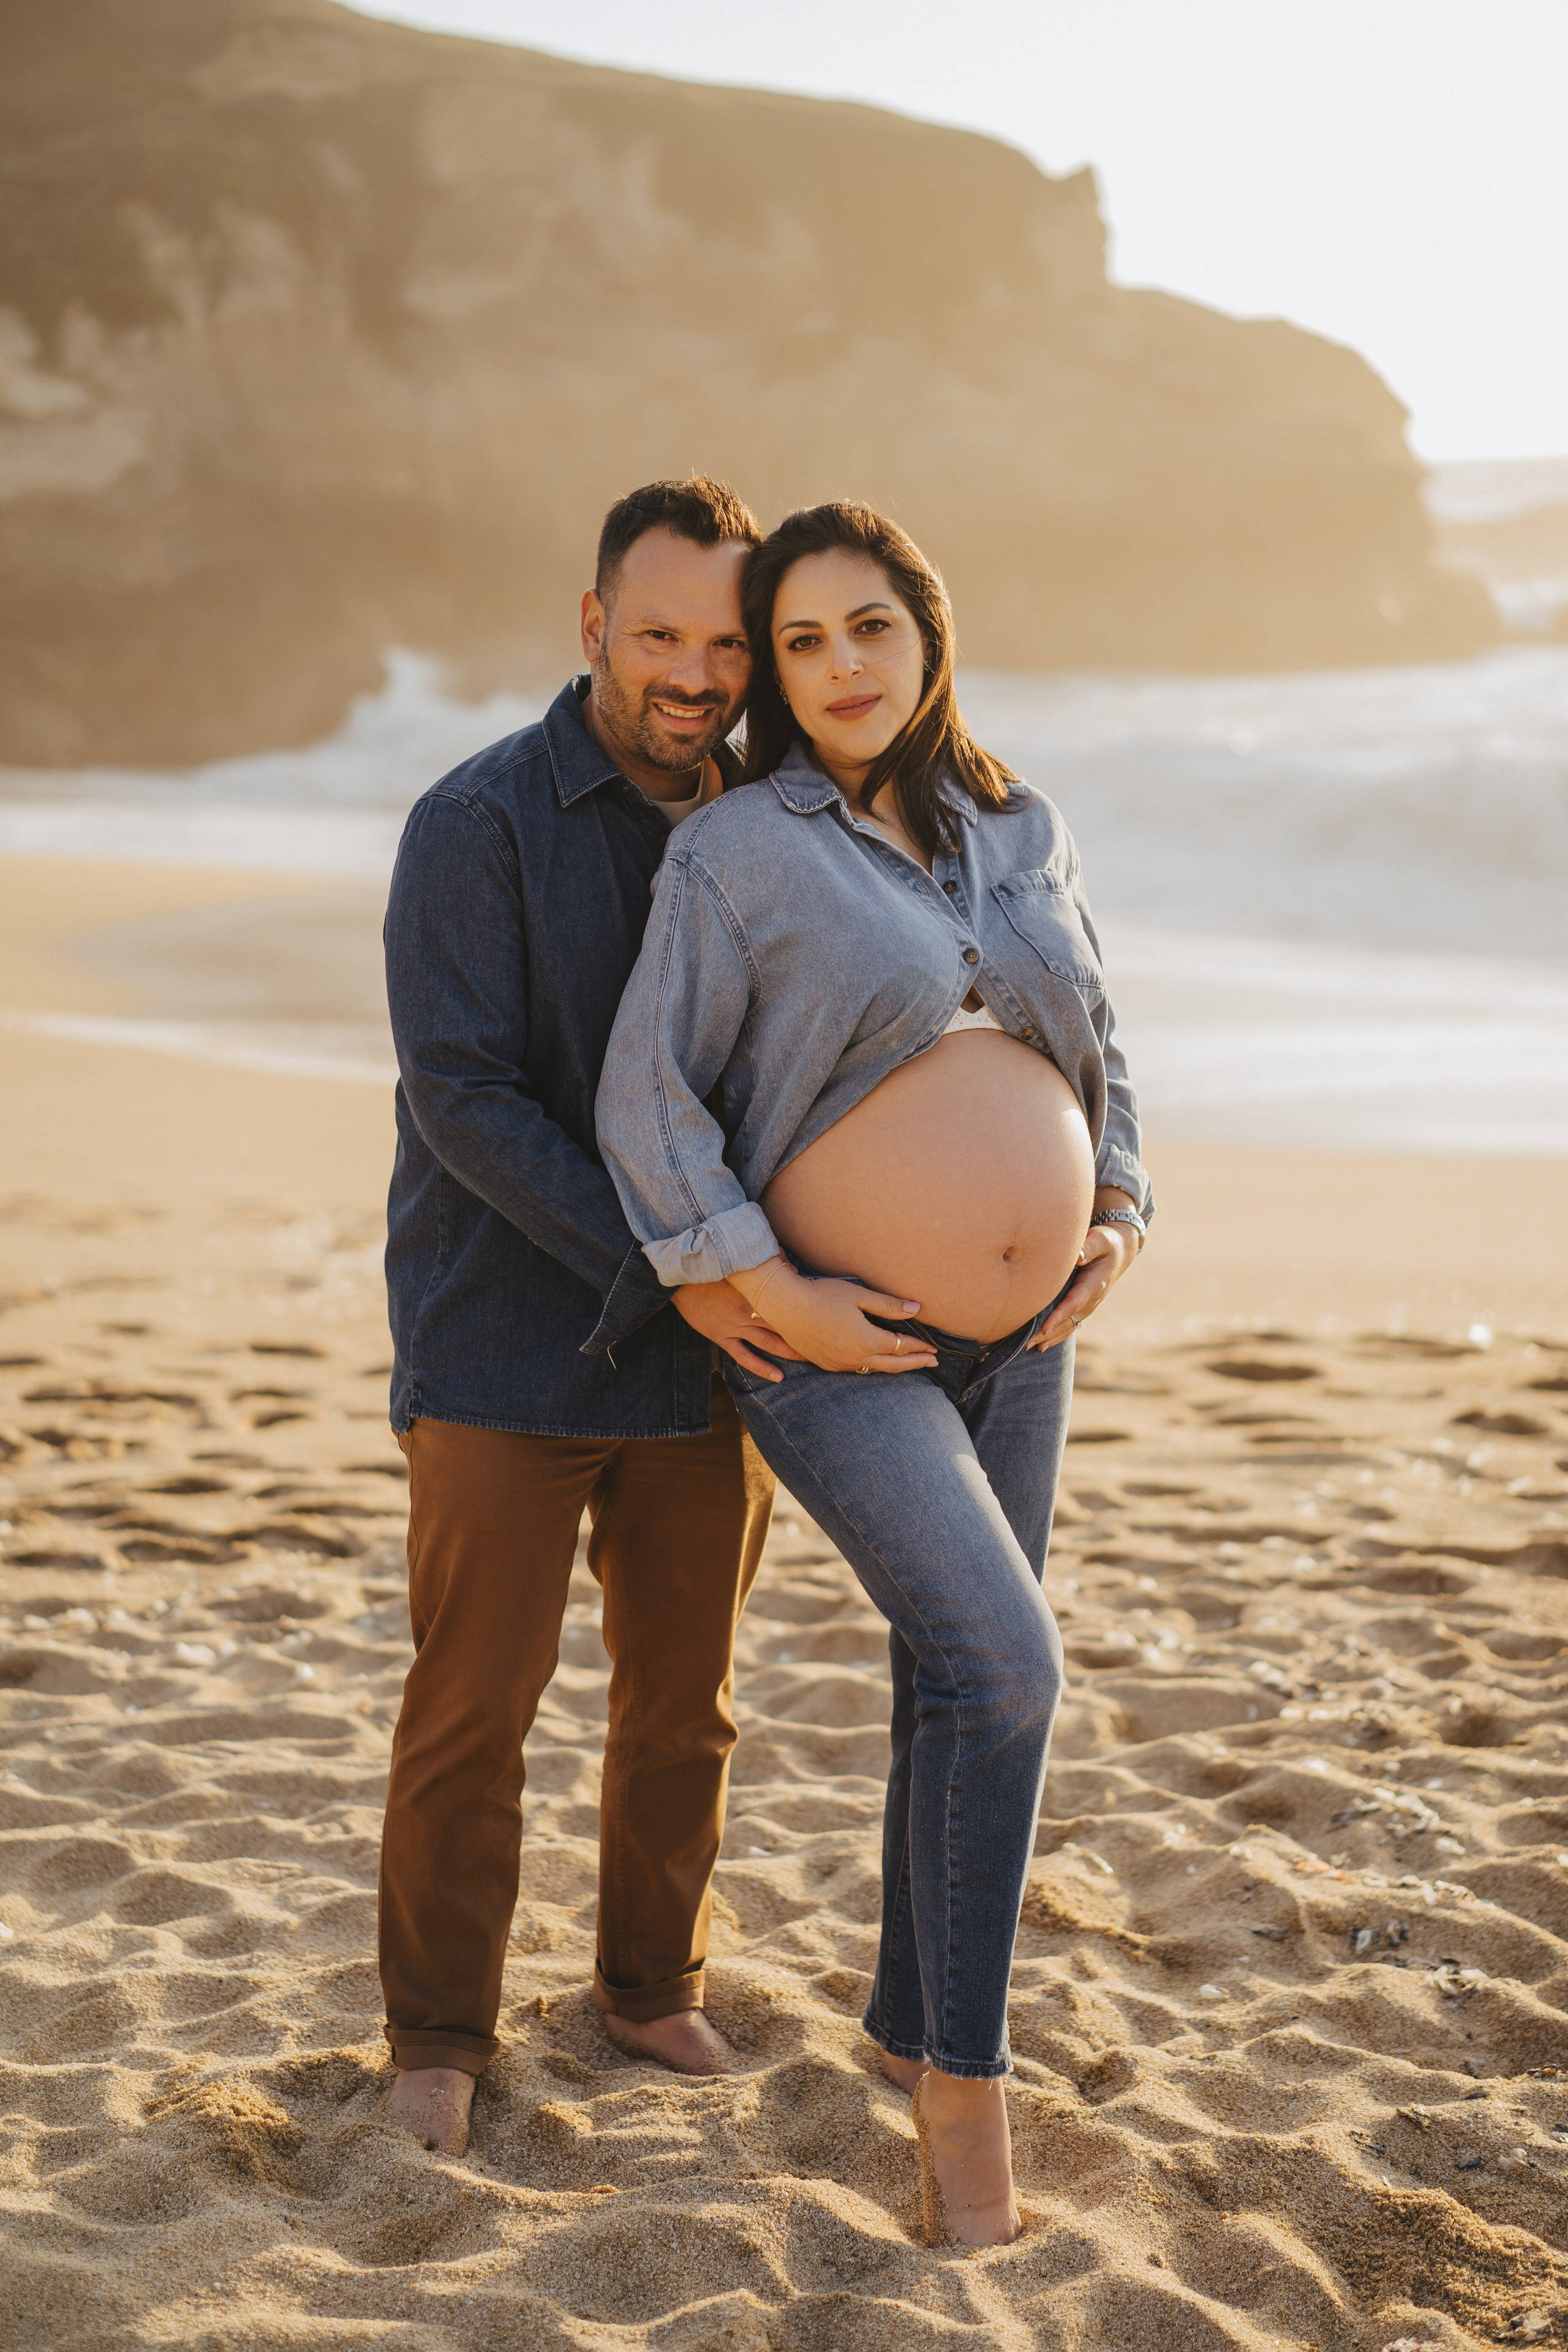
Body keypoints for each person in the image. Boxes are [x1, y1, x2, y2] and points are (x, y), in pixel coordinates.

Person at [597, 501, 1153, 2246]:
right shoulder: (742, 849)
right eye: (804, 641)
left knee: (948, 1682)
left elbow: (1100, 1042)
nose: (839, 667)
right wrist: (749, 1281)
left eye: (870, 629)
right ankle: (971, 2105)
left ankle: (916, 2033)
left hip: (1030, 1339)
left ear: (929, 633)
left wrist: (1116, 1205)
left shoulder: (1017, 821)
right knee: (1007, 1671)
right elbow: (649, 1092)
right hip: (836, 1345)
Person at [378, 477, 797, 2158]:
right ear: (591, 629)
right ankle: (436, 2035)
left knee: (682, 1696)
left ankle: (642, 1985)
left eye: (721, 643)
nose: (692, 674)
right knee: (474, 1702)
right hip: (501, 1333)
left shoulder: (774, 826)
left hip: (710, 1351)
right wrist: (681, 1255)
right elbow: (465, 1097)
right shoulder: (476, 822)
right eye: (658, 636)